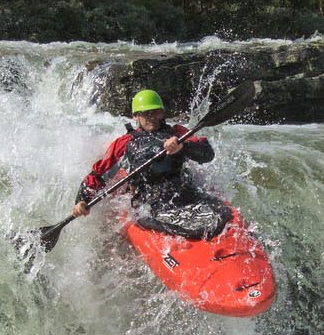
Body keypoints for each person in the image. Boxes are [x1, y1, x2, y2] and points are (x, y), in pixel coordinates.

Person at [71, 89, 232, 239]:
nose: (153, 117)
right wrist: (81, 201)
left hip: (186, 195)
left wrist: (183, 147)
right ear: (135, 116)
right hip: (151, 205)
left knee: (222, 214)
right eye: (146, 113)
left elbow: (207, 154)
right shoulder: (125, 143)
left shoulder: (178, 133)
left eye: (156, 112)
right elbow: (97, 176)